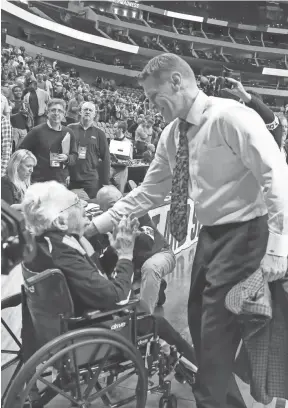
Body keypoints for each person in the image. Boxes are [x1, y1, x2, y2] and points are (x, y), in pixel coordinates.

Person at [86, 54, 288, 408]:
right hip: (212, 236)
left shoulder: (231, 117)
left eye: (153, 96)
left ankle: (210, 401)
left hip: (249, 233)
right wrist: (95, 225)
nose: (150, 105)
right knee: (199, 323)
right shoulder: (170, 133)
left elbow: (276, 177)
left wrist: (278, 247)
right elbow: (150, 191)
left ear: (177, 82)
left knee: (214, 332)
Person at [22, 181, 196, 366]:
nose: (84, 205)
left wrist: (114, 251)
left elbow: (90, 277)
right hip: (91, 332)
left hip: (62, 328)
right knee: (155, 322)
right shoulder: (63, 252)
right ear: (60, 222)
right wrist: (126, 256)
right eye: (75, 203)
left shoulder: (45, 245)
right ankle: (200, 372)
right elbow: (116, 297)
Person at [96, 185, 175, 312]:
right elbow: (103, 261)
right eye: (112, 205)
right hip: (132, 263)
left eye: (121, 200)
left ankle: (144, 318)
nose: (119, 206)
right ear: (103, 210)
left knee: (150, 267)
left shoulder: (136, 212)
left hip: (161, 253)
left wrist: (131, 236)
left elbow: (148, 243)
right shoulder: (101, 225)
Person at [19, 99, 78, 186]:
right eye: (53, 110)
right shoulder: (36, 131)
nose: (56, 113)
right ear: (47, 112)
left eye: (60, 111)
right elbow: (21, 151)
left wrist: (67, 158)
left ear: (64, 114)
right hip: (38, 181)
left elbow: (75, 156)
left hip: (60, 181)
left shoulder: (69, 132)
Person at [68, 102, 110, 199]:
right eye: (85, 109)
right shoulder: (70, 129)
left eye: (90, 110)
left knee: (91, 207)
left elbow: (106, 159)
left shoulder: (100, 134)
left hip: (91, 179)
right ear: (80, 112)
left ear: (94, 114)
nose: (87, 112)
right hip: (72, 177)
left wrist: (106, 182)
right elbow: (64, 152)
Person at [110, 121, 133, 194]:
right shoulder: (112, 141)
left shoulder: (128, 143)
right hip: (110, 171)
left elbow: (129, 162)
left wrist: (117, 161)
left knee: (119, 195)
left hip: (121, 172)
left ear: (121, 129)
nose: (113, 129)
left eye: (115, 127)